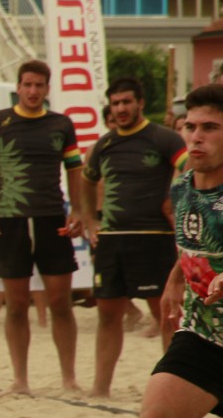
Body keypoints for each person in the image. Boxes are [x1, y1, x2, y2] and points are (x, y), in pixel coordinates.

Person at [89, 84, 223, 418]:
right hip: (205, 338)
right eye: (190, 126)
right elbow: (193, 239)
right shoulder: (185, 182)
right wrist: (174, 278)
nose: (196, 136)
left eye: (209, 127)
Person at [0, 59, 87, 394]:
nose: (33, 91)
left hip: (53, 220)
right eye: (28, 85)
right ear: (18, 88)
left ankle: (69, 377)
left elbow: (75, 169)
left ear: (47, 89)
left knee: (60, 302)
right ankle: (20, 379)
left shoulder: (61, 124)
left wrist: (78, 210)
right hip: (11, 222)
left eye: (39, 85)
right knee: (17, 304)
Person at [80, 77, 187, 398]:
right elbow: (86, 181)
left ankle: (172, 388)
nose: (122, 109)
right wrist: (88, 220)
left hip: (153, 237)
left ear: (140, 103)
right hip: (112, 238)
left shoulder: (163, 138)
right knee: (108, 313)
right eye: (116, 104)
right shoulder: (104, 145)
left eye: (127, 102)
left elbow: (192, 167)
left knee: (165, 313)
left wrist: (177, 199)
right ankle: (100, 388)